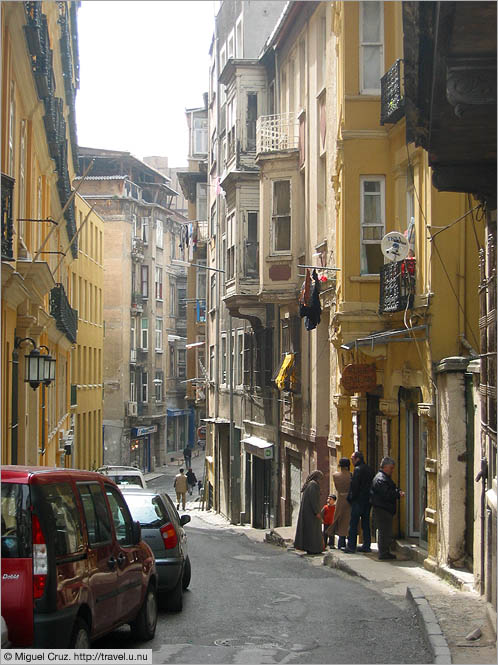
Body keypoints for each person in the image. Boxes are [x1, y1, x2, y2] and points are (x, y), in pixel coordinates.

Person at [370, 456, 405, 560]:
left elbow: (391, 489)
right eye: (391, 468)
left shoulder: (383, 477)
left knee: (386, 531)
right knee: (384, 531)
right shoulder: (381, 478)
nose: (392, 470)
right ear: (385, 467)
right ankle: (384, 552)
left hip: (384, 508)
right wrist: (397, 494)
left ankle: (385, 552)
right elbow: (386, 493)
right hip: (382, 509)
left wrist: (397, 491)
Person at [344, 451, 374, 553]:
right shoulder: (369, 469)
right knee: (366, 524)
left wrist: (351, 498)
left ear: (357, 459)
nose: (351, 461)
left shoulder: (357, 470)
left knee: (353, 524)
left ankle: (351, 546)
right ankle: (367, 545)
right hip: (367, 500)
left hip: (358, 501)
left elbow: (355, 486)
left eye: (352, 459)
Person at [293, 470, 324, 554]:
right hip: (311, 513)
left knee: (309, 531)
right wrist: (317, 512)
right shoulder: (313, 485)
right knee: (313, 531)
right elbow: (314, 500)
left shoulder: (310, 484)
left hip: (308, 512)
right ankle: (313, 548)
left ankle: (310, 548)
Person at [328, 458, 352, 549]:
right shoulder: (351, 475)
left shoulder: (335, 475)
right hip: (349, 501)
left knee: (340, 520)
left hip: (340, 500)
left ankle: (340, 543)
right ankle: (349, 543)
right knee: (349, 522)